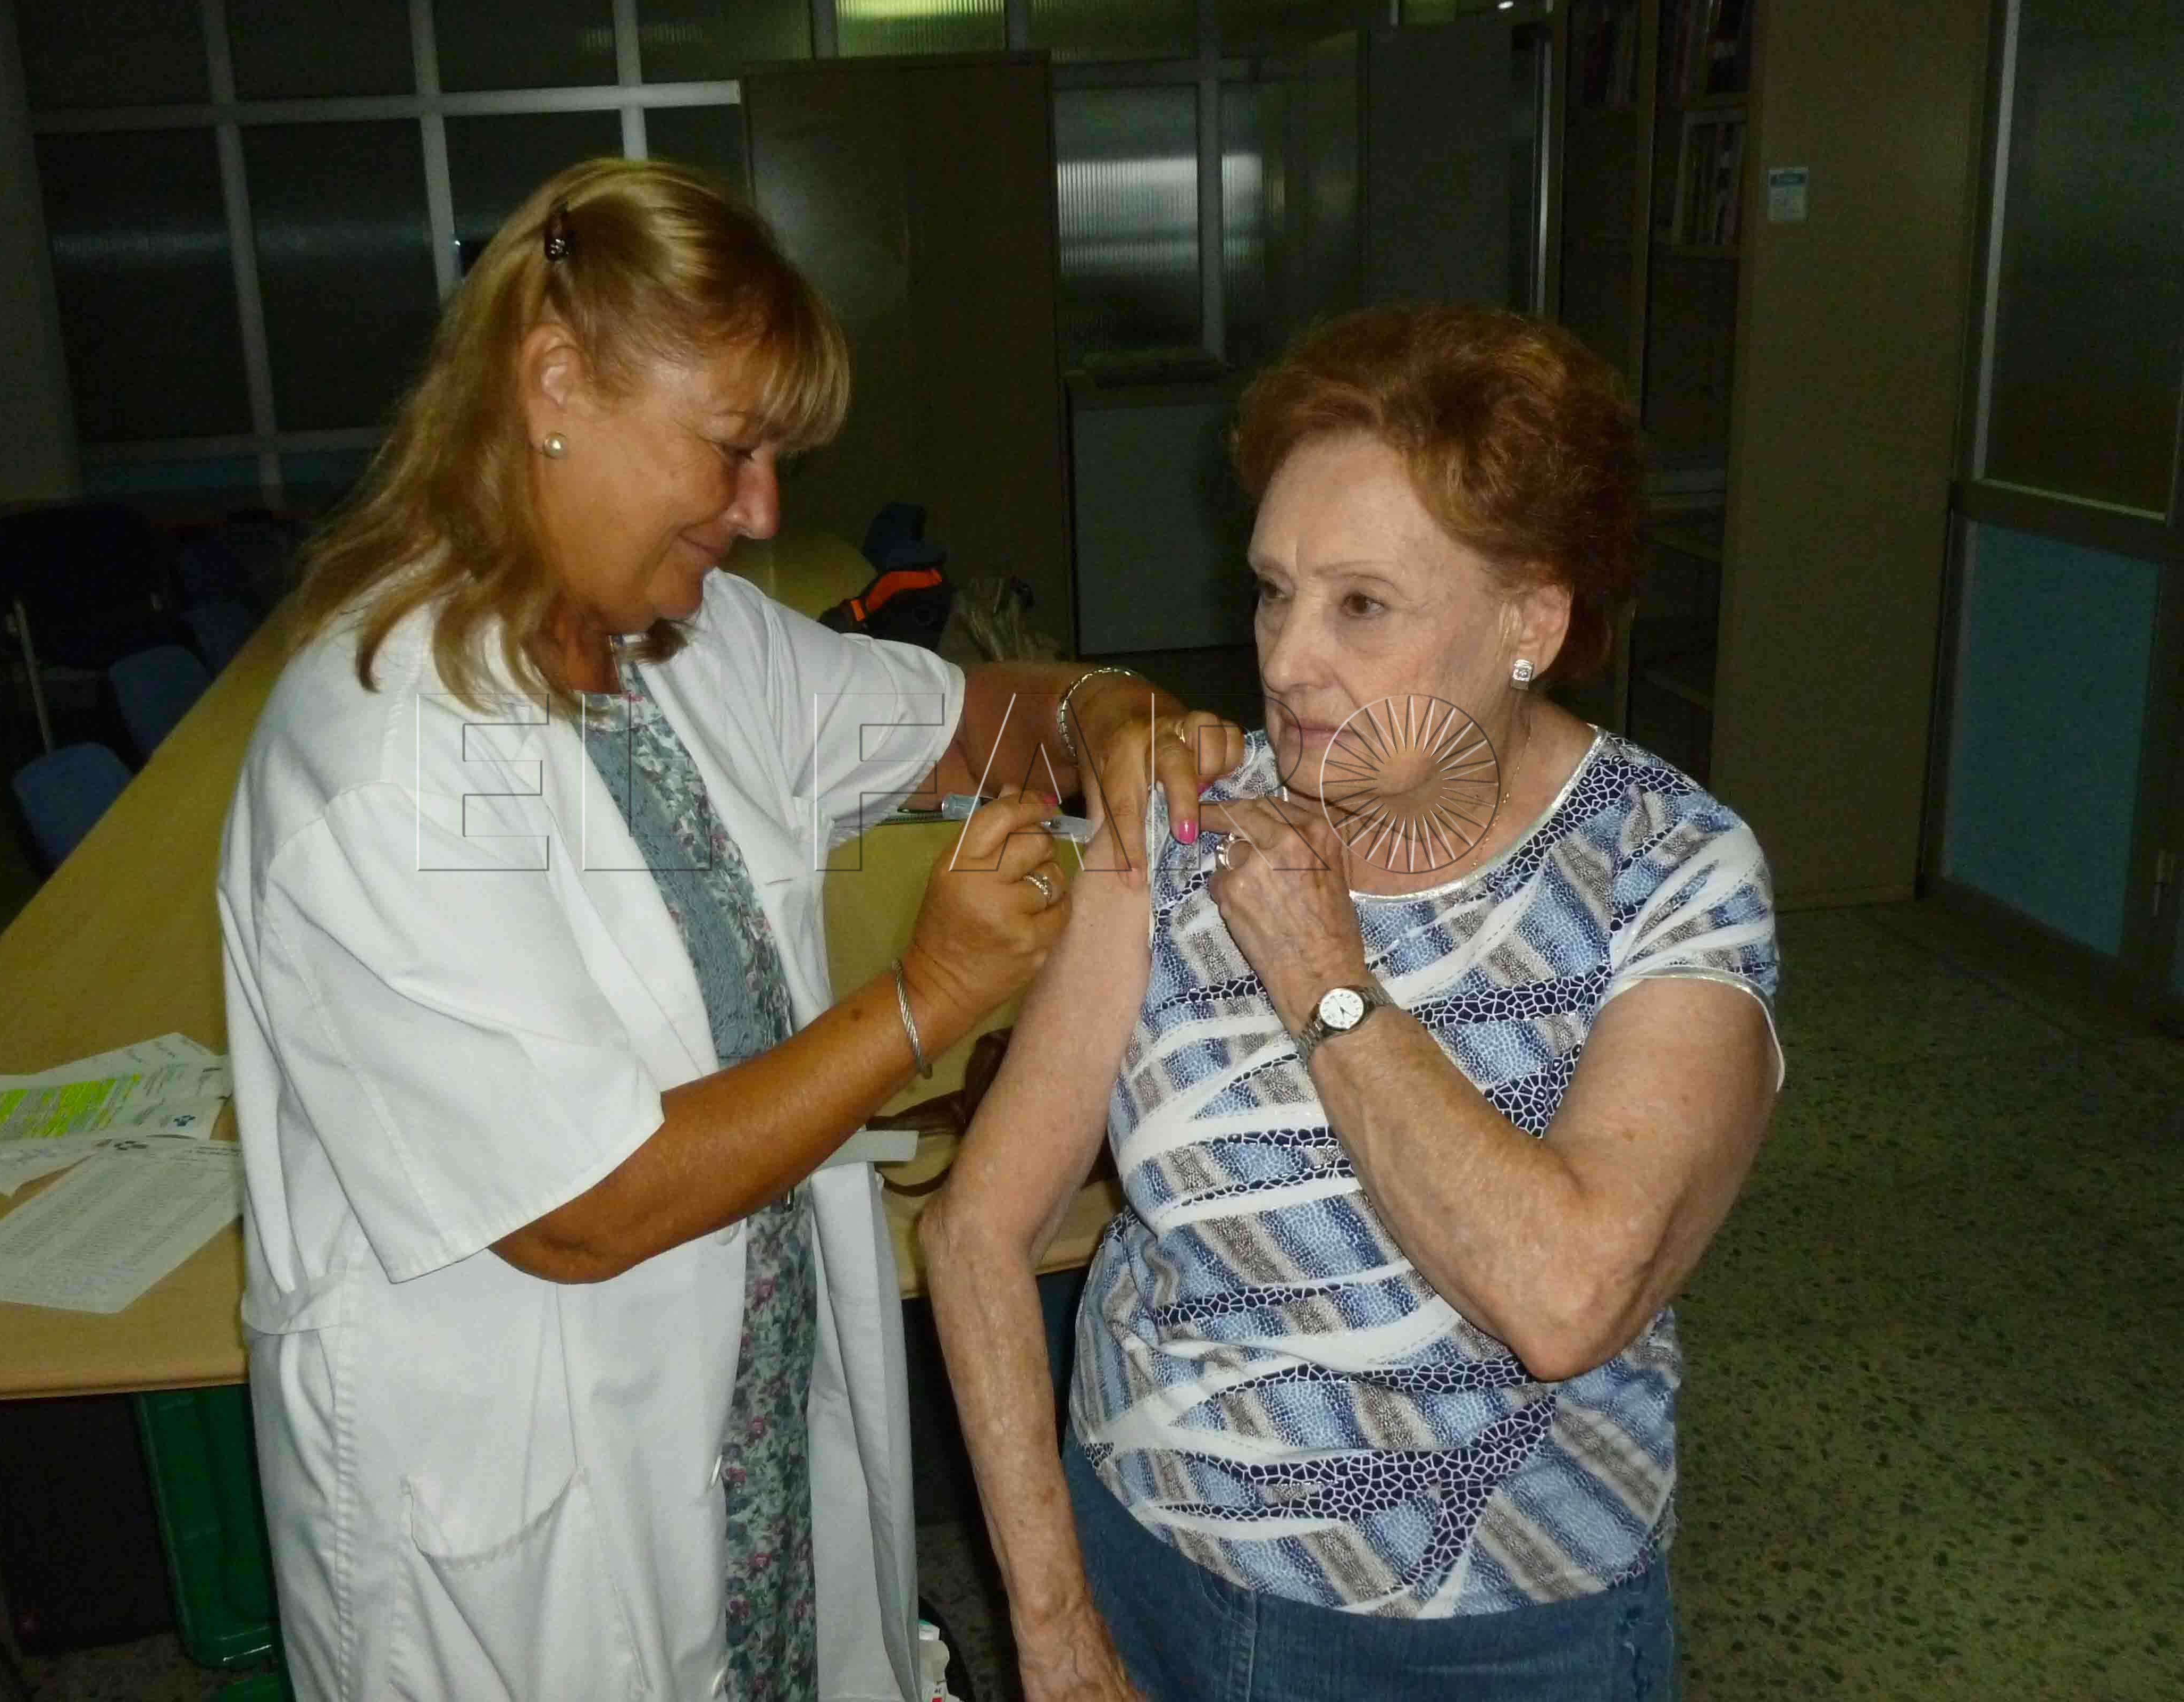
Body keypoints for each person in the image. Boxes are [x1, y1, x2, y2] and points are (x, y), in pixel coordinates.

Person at [216, 158, 1243, 1702]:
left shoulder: (678, 644)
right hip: (535, 1474)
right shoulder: (383, 754)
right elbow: (582, 1211)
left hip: (751, 1405)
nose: (765, 510)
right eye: (735, 448)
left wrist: (1105, 714)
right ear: (554, 380)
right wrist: (923, 1002)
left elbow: (969, 723)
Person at [922, 307, 1783, 1700]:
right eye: (1274, 590)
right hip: (1141, 1566)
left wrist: (1328, 981)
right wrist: (1054, 1626)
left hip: (1489, 1635)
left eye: (1361, 605)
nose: (1284, 660)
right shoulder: (1185, 818)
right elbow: (975, 1229)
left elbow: (1565, 1299)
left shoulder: (1667, 870)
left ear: (1531, 622)